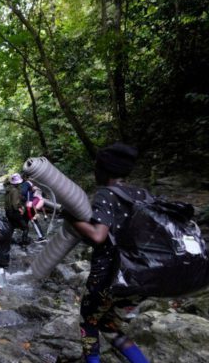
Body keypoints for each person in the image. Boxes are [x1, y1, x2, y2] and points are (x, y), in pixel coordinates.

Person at [69, 143, 150, 363]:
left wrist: (72, 220)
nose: (95, 171)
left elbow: (98, 235)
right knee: (107, 323)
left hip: (109, 276)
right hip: (139, 277)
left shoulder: (106, 194)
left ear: (105, 170)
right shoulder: (142, 194)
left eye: (97, 167)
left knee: (88, 322)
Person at [5, 173, 31, 249]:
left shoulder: (8, 189)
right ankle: (24, 243)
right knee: (26, 228)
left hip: (8, 212)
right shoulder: (15, 190)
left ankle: (7, 242)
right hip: (14, 212)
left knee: (12, 227)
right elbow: (15, 204)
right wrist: (20, 209)